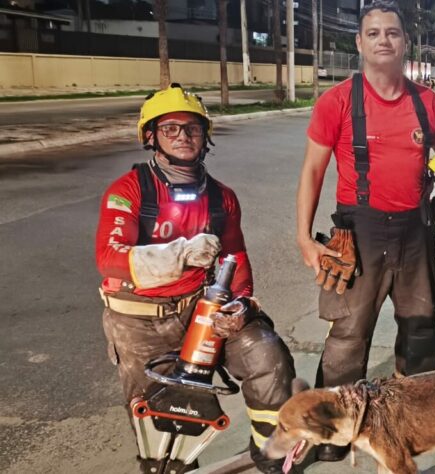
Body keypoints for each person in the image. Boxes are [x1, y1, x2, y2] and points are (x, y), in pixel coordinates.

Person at [295, 1, 435, 462]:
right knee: (347, 337)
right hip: (359, 237)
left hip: (416, 233)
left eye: (393, 33)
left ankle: (412, 423)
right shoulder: (337, 102)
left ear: (405, 43)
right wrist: (304, 238)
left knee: (421, 332)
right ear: (360, 42)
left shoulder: (428, 104)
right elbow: (312, 171)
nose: (384, 40)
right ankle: (333, 427)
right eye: (375, 33)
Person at [96, 84, 297, 474]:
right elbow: (109, 258)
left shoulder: (222, 198)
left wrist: (241, 303)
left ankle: (273, 455)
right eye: (170, 128)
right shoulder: (128, 191)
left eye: (192, 128)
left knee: (267, 355)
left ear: (206, 137)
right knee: (162, 418)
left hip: (200, 312)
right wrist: (178, 254)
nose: (183, 136)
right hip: (139, 322)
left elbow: (234, 255)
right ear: (150, 136)